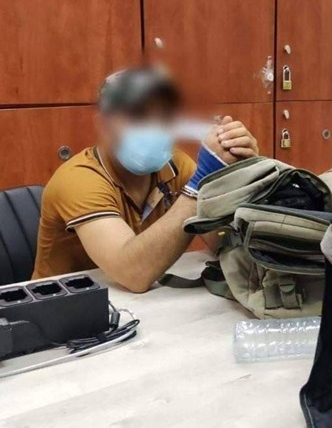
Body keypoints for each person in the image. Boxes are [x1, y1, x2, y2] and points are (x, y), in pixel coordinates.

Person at [32, 67, 259, 291]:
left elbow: (222, 243)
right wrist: (198, 189)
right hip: (63, 305)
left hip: (135, 304)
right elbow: (133, 274)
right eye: (138, 117)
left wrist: (240, 177)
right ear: (104, 125)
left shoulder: (175, 165)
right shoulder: (79, 180)